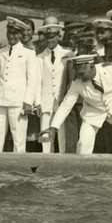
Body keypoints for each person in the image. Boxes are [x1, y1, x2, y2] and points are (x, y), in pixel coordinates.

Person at [40, 54, 112, 155]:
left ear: (91, 67)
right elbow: (66, 105)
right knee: (83, 144)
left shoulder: (110, 68)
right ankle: (82, 170)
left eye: (82, 73)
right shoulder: (76, 82)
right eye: (77, 73)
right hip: (93, 112)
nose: (80, 77)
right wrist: (53, 127)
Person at [0, 17, 39, 153]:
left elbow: (32, 80)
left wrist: (28, 102)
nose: (12, 36)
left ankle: (19, 169)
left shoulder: (28, 53)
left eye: (15, 33)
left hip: (18, 102)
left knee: (19, 138)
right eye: (10, 32)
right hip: (0, 100)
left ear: (21, 34)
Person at [35, 23, 72, 153]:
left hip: (61, 99)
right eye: (47, 37)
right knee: (45, 134)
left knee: (62, 135)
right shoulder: (40, 57)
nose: (50, 40)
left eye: (53, 37)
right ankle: (46, 161)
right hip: (45, 100)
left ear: (58, 36)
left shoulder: (68, 54)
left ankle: (63, 162)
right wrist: (37, 102)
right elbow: (37, 81)